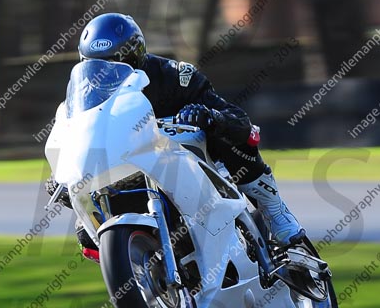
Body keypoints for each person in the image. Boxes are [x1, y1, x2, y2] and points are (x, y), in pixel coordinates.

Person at [48, 13, 305, 259]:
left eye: (117, 62)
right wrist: (63, 176)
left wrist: (208, 116)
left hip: (187, 159)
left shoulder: (175, 76)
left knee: (235, 136)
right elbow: (73, 141)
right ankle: (142, 270)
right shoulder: (84, 101)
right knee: (86, 234)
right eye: (98, 64)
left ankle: (274, 209)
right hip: (128, 171)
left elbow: (237, 118)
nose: (108, 72)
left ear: (136, 55)